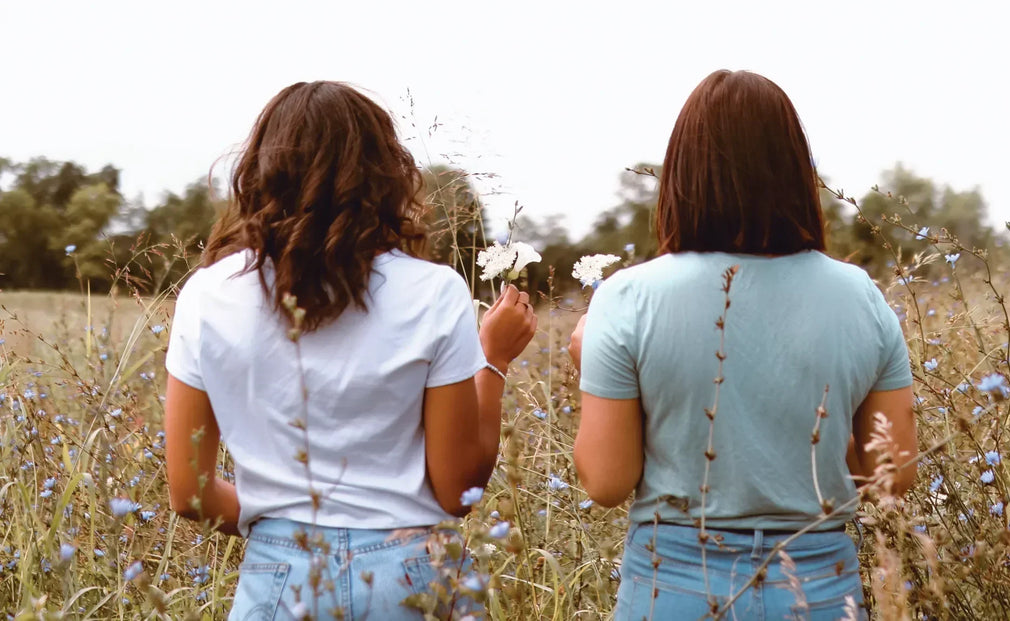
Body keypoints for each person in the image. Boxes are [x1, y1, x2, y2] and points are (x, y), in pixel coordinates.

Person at [164, 81, 536, 620]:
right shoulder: (434, 291)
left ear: (262, 172)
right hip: (410, 572)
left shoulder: (206, 295)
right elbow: (459, 491)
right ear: (384, 174)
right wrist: (494, 360)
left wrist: (286, 521)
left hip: (278, 575)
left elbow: (188, 493)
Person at [568, 70, 916, 620]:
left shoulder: (628, 298)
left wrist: (587, 359)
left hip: (674, 586)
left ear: (681, 173)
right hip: (818, 586)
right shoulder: (860, 296)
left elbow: (608, 482)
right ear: (795, 171)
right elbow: (891, 477)